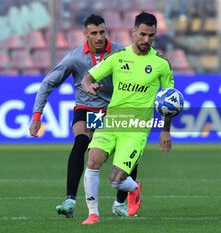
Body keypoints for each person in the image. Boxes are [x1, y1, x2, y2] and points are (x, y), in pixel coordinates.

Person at [29, 14, 139, 218]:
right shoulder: (75, 57)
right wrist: (37, 116)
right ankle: (70, 199)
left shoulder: (120, 53)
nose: (99, 37)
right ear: (85, 34)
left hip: (112, 110)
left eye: (102, 32)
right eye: (94, 33)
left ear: (107, 32)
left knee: (128, 154)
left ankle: (119, 203)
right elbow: (47, 83)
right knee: (80, 142)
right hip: (86, 109)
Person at [80, 11, 174, 224]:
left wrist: (166, 130)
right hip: (112, 121)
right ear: (133, 32)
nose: (146, 40)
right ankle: (93, 214)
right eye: (142, 34)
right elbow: (87, 78)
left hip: (137, 128)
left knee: (116, 180)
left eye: (151, 36)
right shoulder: (118, 57)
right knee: (93, 160)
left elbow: (170, 99)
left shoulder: (161, 64)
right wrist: (90, 87)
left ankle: (134, 187)